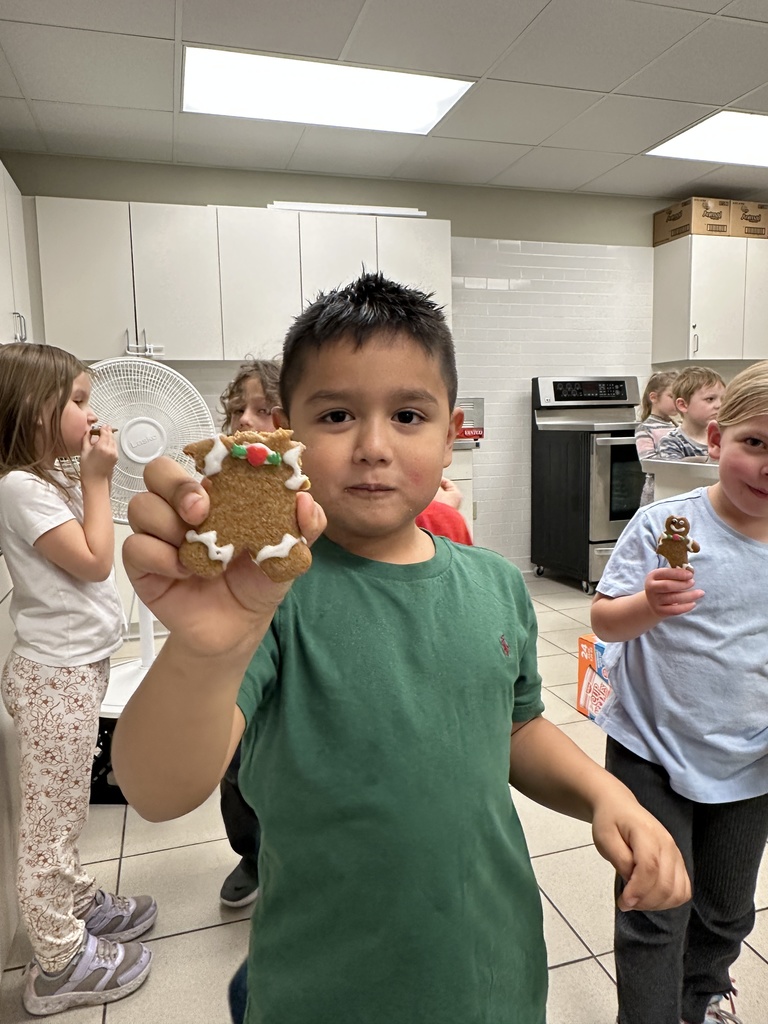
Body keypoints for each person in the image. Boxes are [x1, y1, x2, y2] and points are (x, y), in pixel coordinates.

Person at [112, 272, 689, 1024]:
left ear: (451, 436)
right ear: (288, 437)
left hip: (493, 971)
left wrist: (605, 794)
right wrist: (202, 647)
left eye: (409, 414)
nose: (374, 447)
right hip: (325, 990)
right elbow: (157, 791)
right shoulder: (269, 598)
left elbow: (514, 727)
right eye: (339, 414)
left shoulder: (493, 584)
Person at [591, 358, 768, 1024]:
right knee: (653, 904)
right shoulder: (671, 526)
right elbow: (606, 619)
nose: (766, 466)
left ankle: (704, 993)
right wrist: (648, 606)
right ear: (717, 440)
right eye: (756, 443)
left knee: (726, 907)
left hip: (750, 759)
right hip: (651, 749)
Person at [0, 343, 156, 1016]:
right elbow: (94, 562)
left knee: (65, 814)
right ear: (34, 412)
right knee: (50, 824)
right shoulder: (18, 488)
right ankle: (58, 963)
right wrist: (97, 481)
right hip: (52, 677)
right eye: (79, 401)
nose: (91, 414)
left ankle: (76, 901)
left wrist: (83, 479)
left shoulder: (45, 480)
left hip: (73, 671)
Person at [217, 358, 282, 910]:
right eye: (238, 410)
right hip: (240, 646)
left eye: (260, 410)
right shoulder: (219, 483)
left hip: (292, 646)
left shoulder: (302, 485)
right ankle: (251, 852)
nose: (244, 421)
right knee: (235, 764)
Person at [656, 365, 725, 461]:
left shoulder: (725, 438)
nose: (719, 405)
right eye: (710, 399)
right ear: (683, 405)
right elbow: (674, 474)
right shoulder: (671, 443)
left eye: (723, 399)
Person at [635, 370, 679, 506]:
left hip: (674, 488)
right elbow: (648, 463)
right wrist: (684, 461)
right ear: (654, 397)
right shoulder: (645, 428)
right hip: (656, 494)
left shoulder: (676, 426)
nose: (679, 401)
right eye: (672, 396)